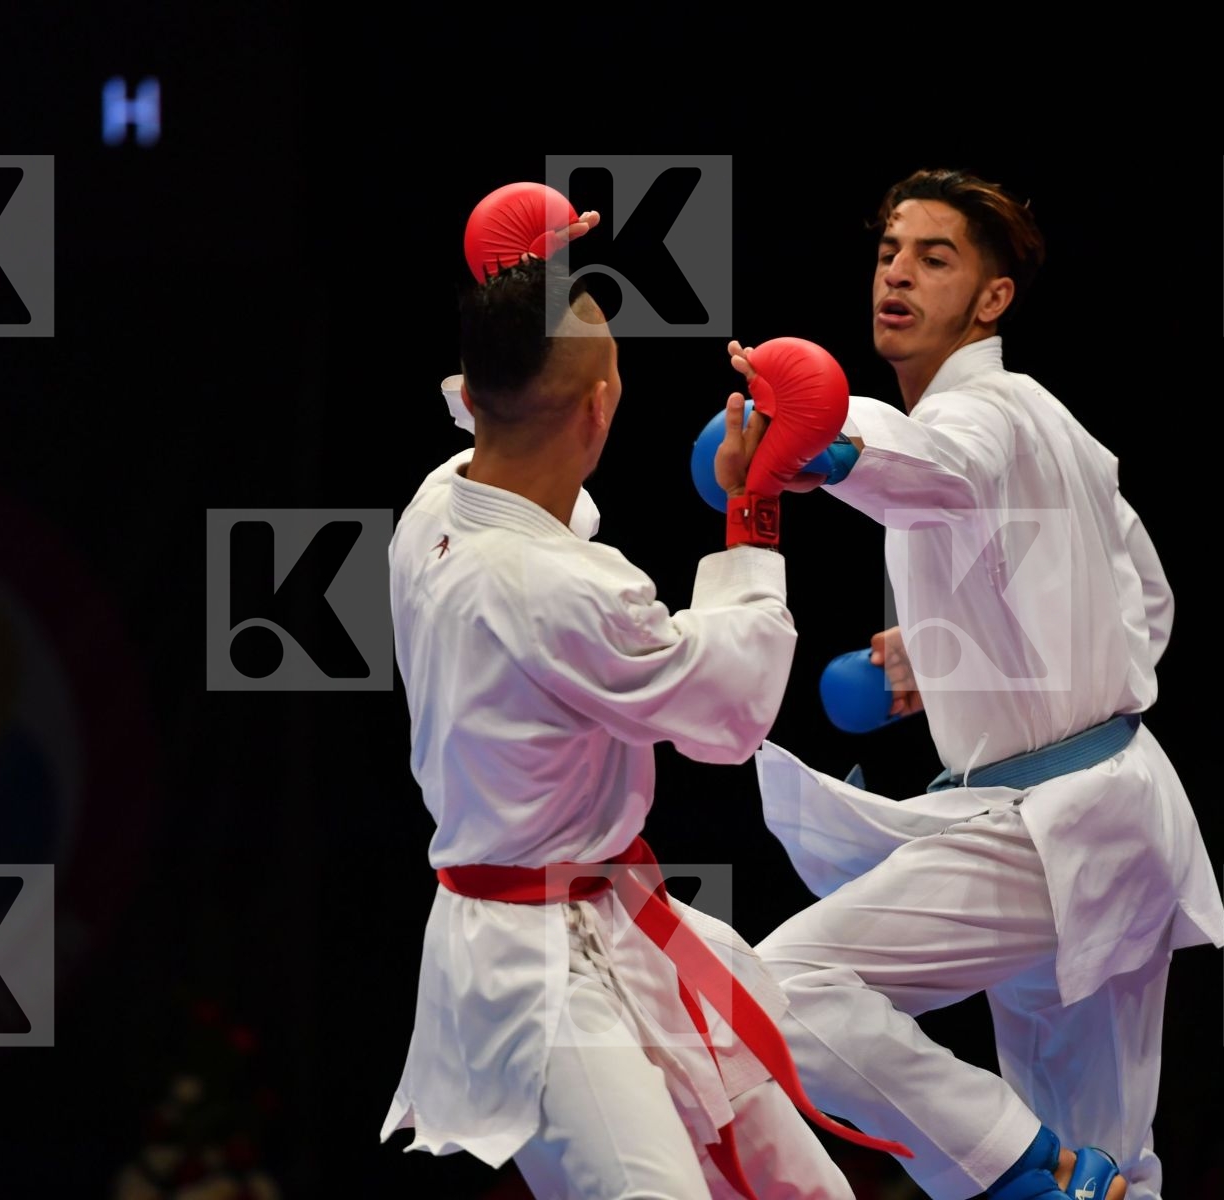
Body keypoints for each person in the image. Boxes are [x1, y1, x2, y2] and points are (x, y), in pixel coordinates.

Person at [379, 182, 903, 1199]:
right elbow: (729, 711)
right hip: (531, 976)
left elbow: (500, 400)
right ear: (601, 407)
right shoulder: (571, 591)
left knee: (807, 1189)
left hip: (598, 917)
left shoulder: (437, 503)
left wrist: (527, 283)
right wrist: (753, 509)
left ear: (474, 394)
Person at [743, 168, 1224, 1200]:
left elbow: (938, 466)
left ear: (992, 298)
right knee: (1115, 1172)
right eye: (889, 253)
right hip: (1115, 811)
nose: (898, 275)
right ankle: (1051, 1168)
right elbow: (1145, 599)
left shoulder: (986, 413)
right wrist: (965, 653)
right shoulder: (1059, 427)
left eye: (935, 258)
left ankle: (1018, 1162)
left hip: (1053, 829)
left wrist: (824, 448)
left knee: (786, 985)